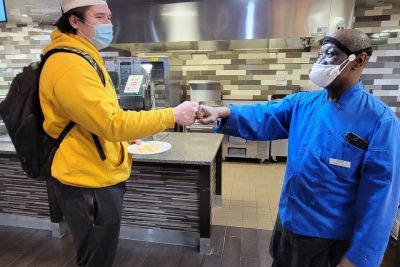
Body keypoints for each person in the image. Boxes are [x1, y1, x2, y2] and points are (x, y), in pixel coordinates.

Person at [197, 29, 400, 267]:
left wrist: (359, 259)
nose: (321, 63)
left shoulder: (380, 122)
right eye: (320, 55)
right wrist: (221, 112)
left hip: (330, 240)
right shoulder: (304, 103)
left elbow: (381, 200)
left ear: (360, 60)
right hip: (288, 223)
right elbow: (265, 114)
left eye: (331, 55)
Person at [39, 0, 198, 266]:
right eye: (100, 17)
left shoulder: (84, 56)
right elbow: (112, 123)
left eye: (109, 17)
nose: (108, 24)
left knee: (101, 251)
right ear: (74, 21)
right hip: (87, 180)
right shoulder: (69, 64)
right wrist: (172, 115)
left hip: (98, 172)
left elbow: (94, 119)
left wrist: (124, 138)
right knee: (96, 257)